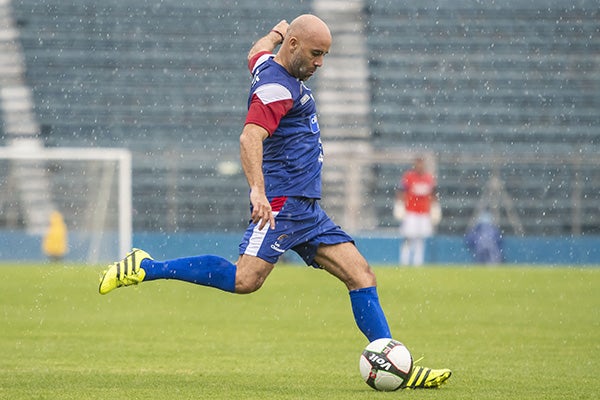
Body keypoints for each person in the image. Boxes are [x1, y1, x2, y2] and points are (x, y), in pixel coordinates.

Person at [99, 15, 451, 389]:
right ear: (295, 47)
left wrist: (274, 34)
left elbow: (256, 51)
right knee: (244, 279)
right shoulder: (276, 90)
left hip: (308, 210)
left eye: (325, 55)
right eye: (316, 54)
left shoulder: (269, 64)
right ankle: (146, 266)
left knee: (361, 276)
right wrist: (257, 190)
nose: (320, 63)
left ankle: (399, 367)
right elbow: (250, 137)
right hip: (282, 206)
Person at [394, 157, 441, 266]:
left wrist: (435, 207)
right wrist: (400, 205)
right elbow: (401, 192)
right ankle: (404, 261)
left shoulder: (429, 178)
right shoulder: (409, 177)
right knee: (408, 237)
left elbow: (434, 194)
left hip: (424, 212)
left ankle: (417, 262)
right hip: (411, 212)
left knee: (420, 238)